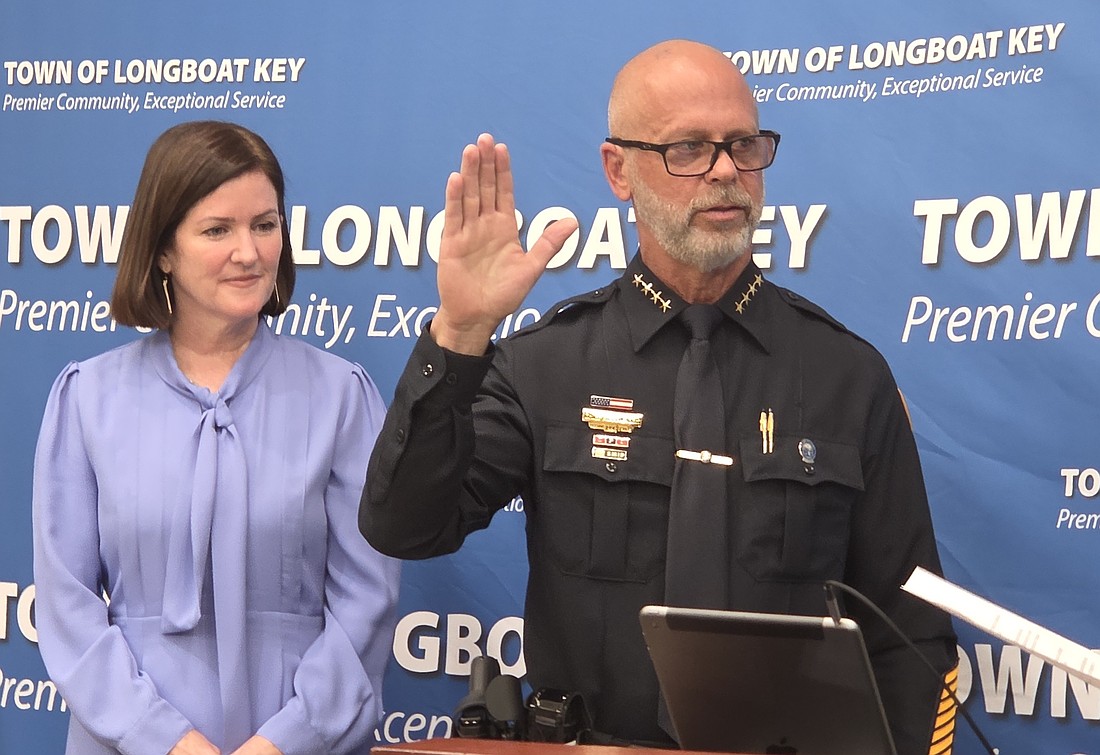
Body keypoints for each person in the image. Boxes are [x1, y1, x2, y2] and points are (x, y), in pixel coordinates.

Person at [360, 40, 957, 754]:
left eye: (744, 145)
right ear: (620, 169)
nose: (727, 171)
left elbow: (912, 631)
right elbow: (405, 527)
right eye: (688, 150)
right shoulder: (545, 364)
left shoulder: (846, 374)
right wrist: (459, 334)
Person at [33, 121, 401, 755]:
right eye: (216, 230)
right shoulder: (87, 398)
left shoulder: (341, 396)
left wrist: (283, 743)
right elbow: (67, 611)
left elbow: (367, 604)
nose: (250, 252)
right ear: (163, 249)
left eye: (265, 224)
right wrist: (168, 742)